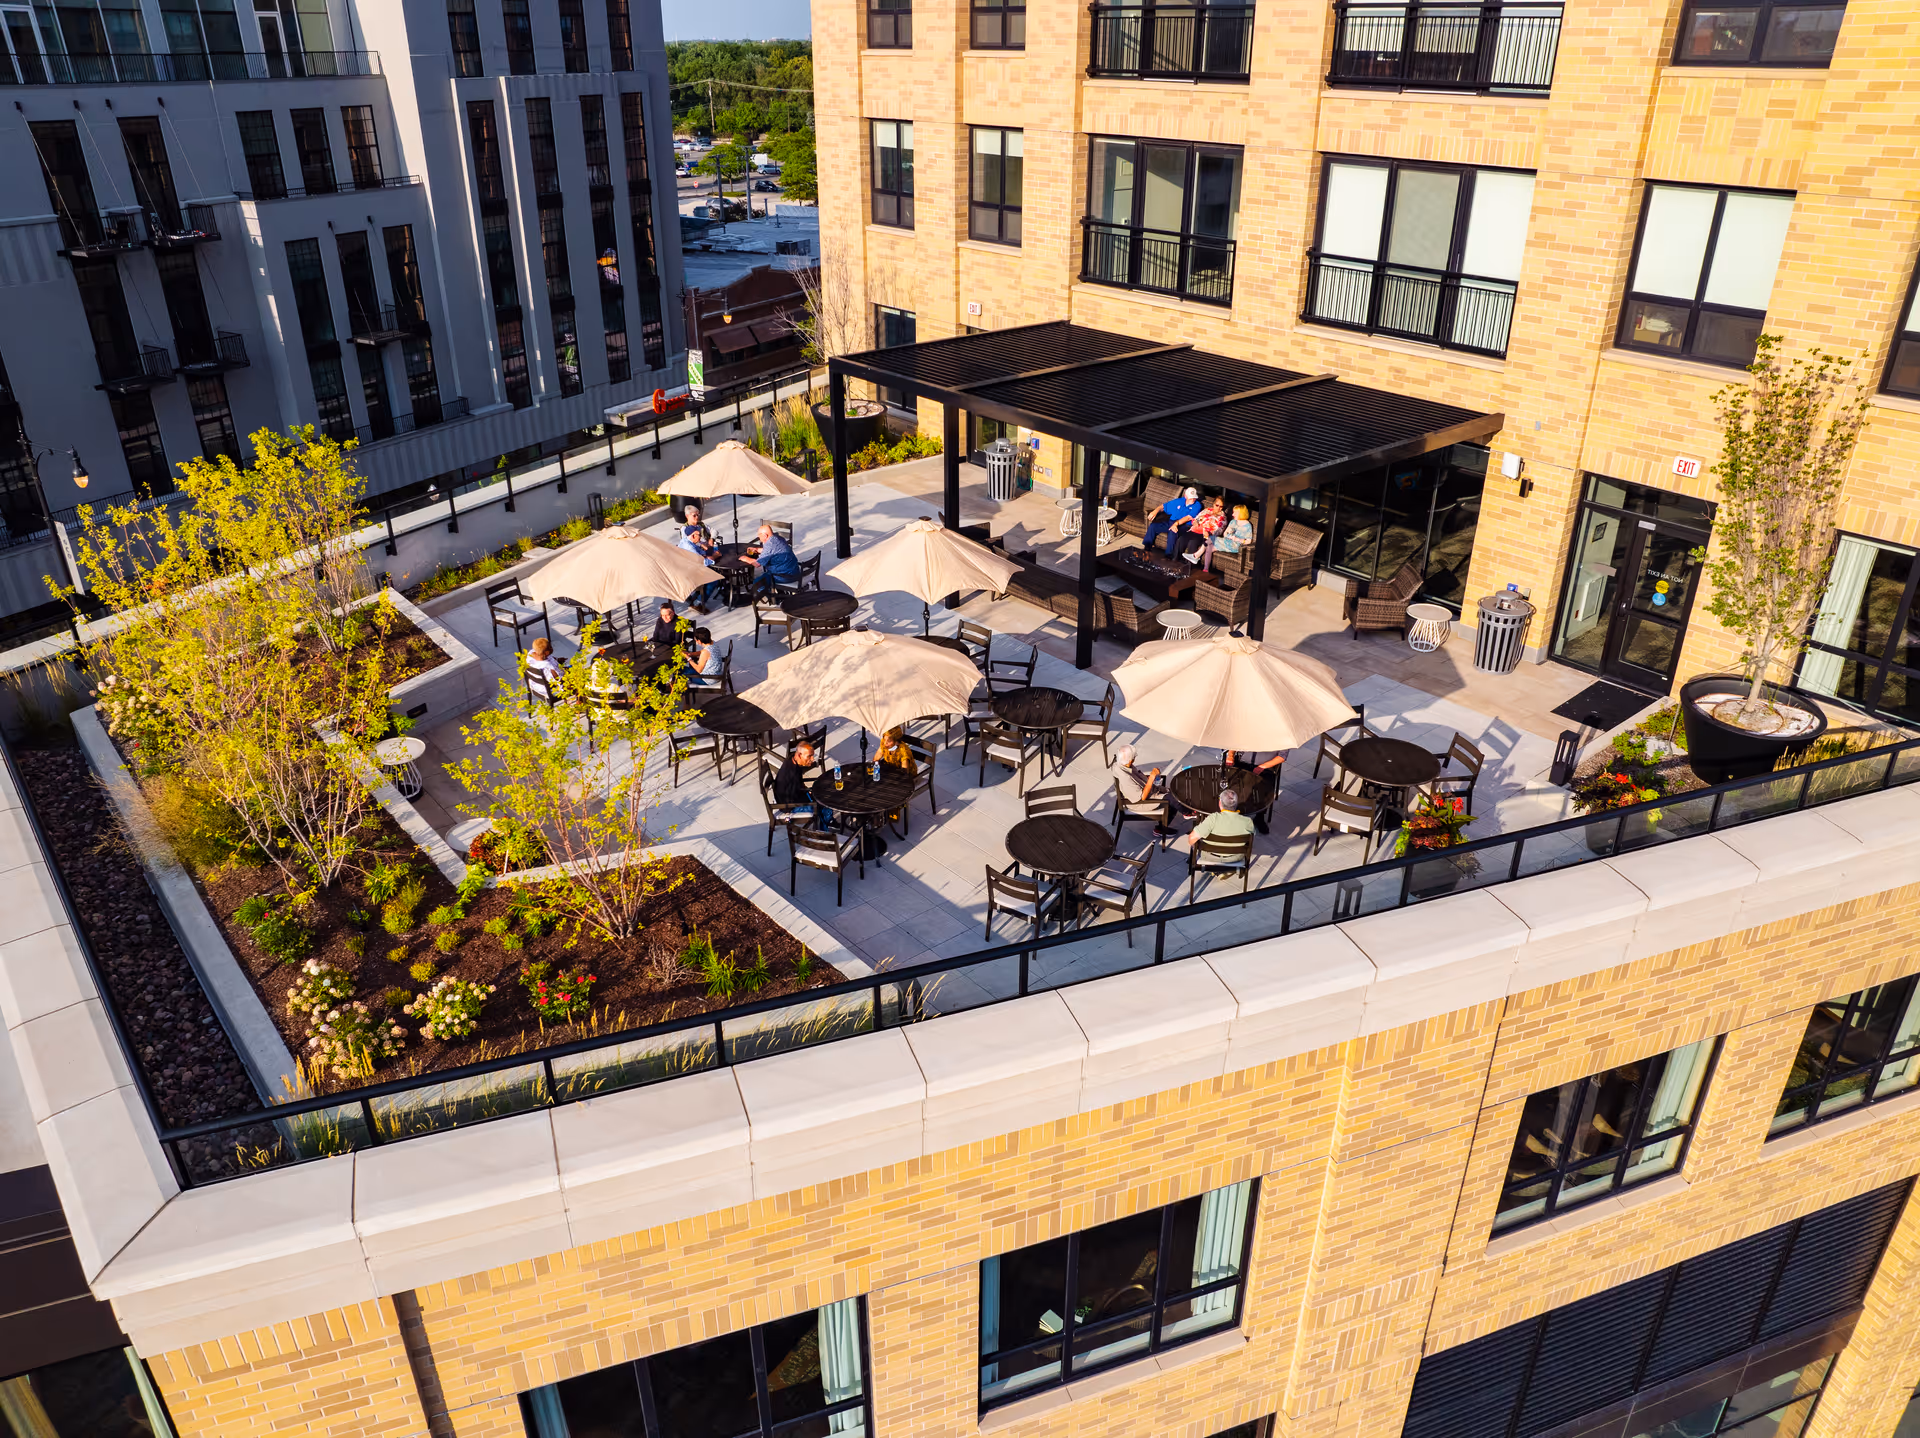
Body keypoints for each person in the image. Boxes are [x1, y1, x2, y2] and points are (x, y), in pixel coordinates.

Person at [1113, 743, 1177, 843]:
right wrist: (1151, 778)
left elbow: (1136, 778)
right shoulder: (1125, 777)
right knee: (1173, 800)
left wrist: (1146, 779)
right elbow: (1141, 798)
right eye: (1134, 757)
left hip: (1141, 793)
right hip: (1139, 804)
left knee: (1172, 794)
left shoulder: (1121, 765)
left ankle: (1161, 828)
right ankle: (1186, 814)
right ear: (1131, 759)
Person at [678, 505, 724, 612]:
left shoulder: (696, 530)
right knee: (714, 577)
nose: (697, 517)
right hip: (690, 570)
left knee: (713, 566)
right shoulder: (686, 532)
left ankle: (696, 597)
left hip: (692, 563)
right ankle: (698, 603)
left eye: (698, 514)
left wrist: (709, 543)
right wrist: (713, 556)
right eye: (694, 515)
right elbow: (702, 562)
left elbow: (713, 532)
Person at [1142, 485, 1203, 557]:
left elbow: (1188, 518)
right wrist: (1155, 511)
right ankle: (1147, 549)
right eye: (1190, 498)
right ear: (1185, 496)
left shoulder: (1197, 505)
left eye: (1194, 498)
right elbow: (1164, 506)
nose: (1192, 500)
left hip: (1184, 525)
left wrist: (1176, 524)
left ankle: (1168, 555)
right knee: (1153, 526)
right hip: (1171, 522)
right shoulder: (1179, 501)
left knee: (1173, 531)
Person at [875, 724, 917, 822]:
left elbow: (904, 773)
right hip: (890, 770)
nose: (885, 743)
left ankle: (889, 814)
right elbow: (876, 758)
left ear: (896, 741)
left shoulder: (903, 751)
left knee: (890, 790)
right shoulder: (884, 743)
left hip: (905, 776)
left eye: (889, 741)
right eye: (884, 739)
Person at [1190, 788, 1256, 848]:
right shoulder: (1247, 821)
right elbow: (1251, 837)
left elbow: (1191, 838)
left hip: (1211, 856)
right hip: (1236, 857)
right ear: (1236, 804)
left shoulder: (1212, 819)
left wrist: (1197, 847)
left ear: (1220, 803)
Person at [747, 521, 800, 595]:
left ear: (765, 535)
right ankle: (779, 593)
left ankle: (773, 598)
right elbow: (772, 551)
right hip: (795, 571)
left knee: (758, 581)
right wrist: (757, 550)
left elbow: (757, 564)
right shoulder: (778, 538)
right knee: (766, 575)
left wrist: (745, 558)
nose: (758, 537)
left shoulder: (769, 545)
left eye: (759, 535)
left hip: (785, 576)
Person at [1180, 494, 1229, 566]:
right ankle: (1175, 560)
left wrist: (1209, 533)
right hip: (1196, 530)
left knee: (1192, 542)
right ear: (1213, 504)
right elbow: (1196, 518)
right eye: (1217, 505)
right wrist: (1195, 522)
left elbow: (1219, 531)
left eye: (1221, 506)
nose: (1219, 508)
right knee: (1181, 538)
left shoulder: (1223, 517)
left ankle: (1189, 566)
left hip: (1206, 534)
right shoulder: (1207, 510)